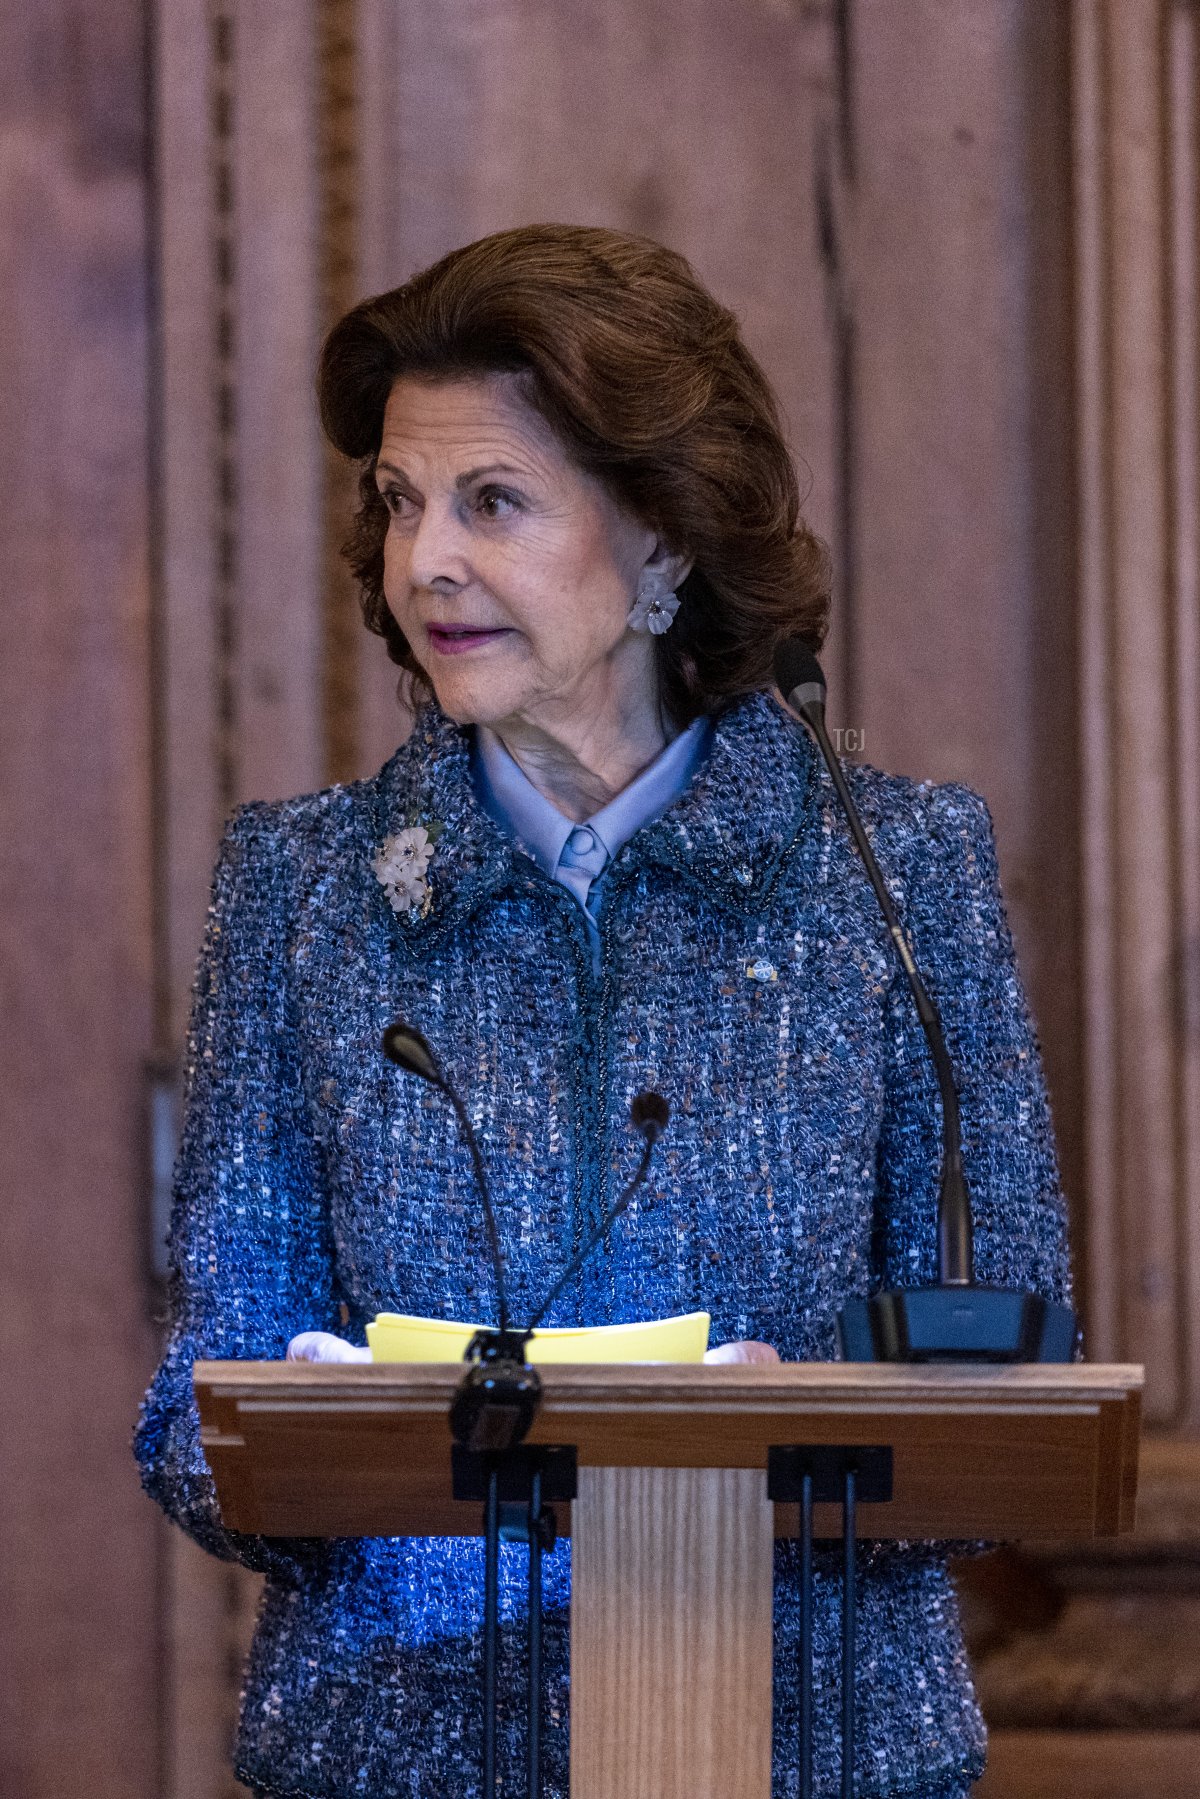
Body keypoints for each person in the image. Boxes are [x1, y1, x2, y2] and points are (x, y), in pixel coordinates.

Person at [134, 224, 1071, 1799]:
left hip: (814, 1751)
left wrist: (809, 1424)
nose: (423, 559)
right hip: (396, 1752)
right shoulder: (305, 892)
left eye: (491, 502)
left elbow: (1019, 1373)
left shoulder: (895, 873)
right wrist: (328, 1439)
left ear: (662, 539)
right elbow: (192, 1422)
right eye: (399, 503)